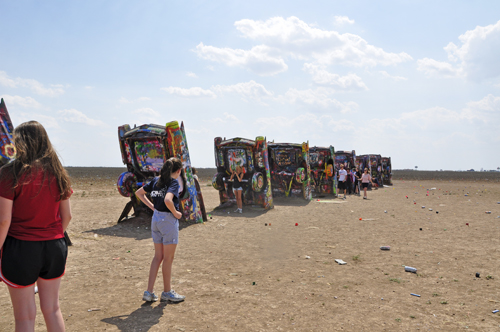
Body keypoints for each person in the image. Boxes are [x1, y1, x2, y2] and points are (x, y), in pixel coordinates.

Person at [0, 121, 72, 332]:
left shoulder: (8, 173)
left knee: (24, 317)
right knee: (52, 309)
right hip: (55, 247)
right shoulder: (59, 173)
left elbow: (4, 220)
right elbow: (67, 216)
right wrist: (52, 234)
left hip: (21, 249)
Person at [135, 157, 186, 303]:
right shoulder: (173, 182)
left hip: (156, 220)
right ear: (178, 171)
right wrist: (176, 213)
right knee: (168, 259)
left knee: (158, 257)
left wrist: (152, 207)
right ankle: (167, 292)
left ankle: (149, 292)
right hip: (168, 221)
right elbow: (168, 200)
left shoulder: (156, 181)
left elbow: (139, 193)